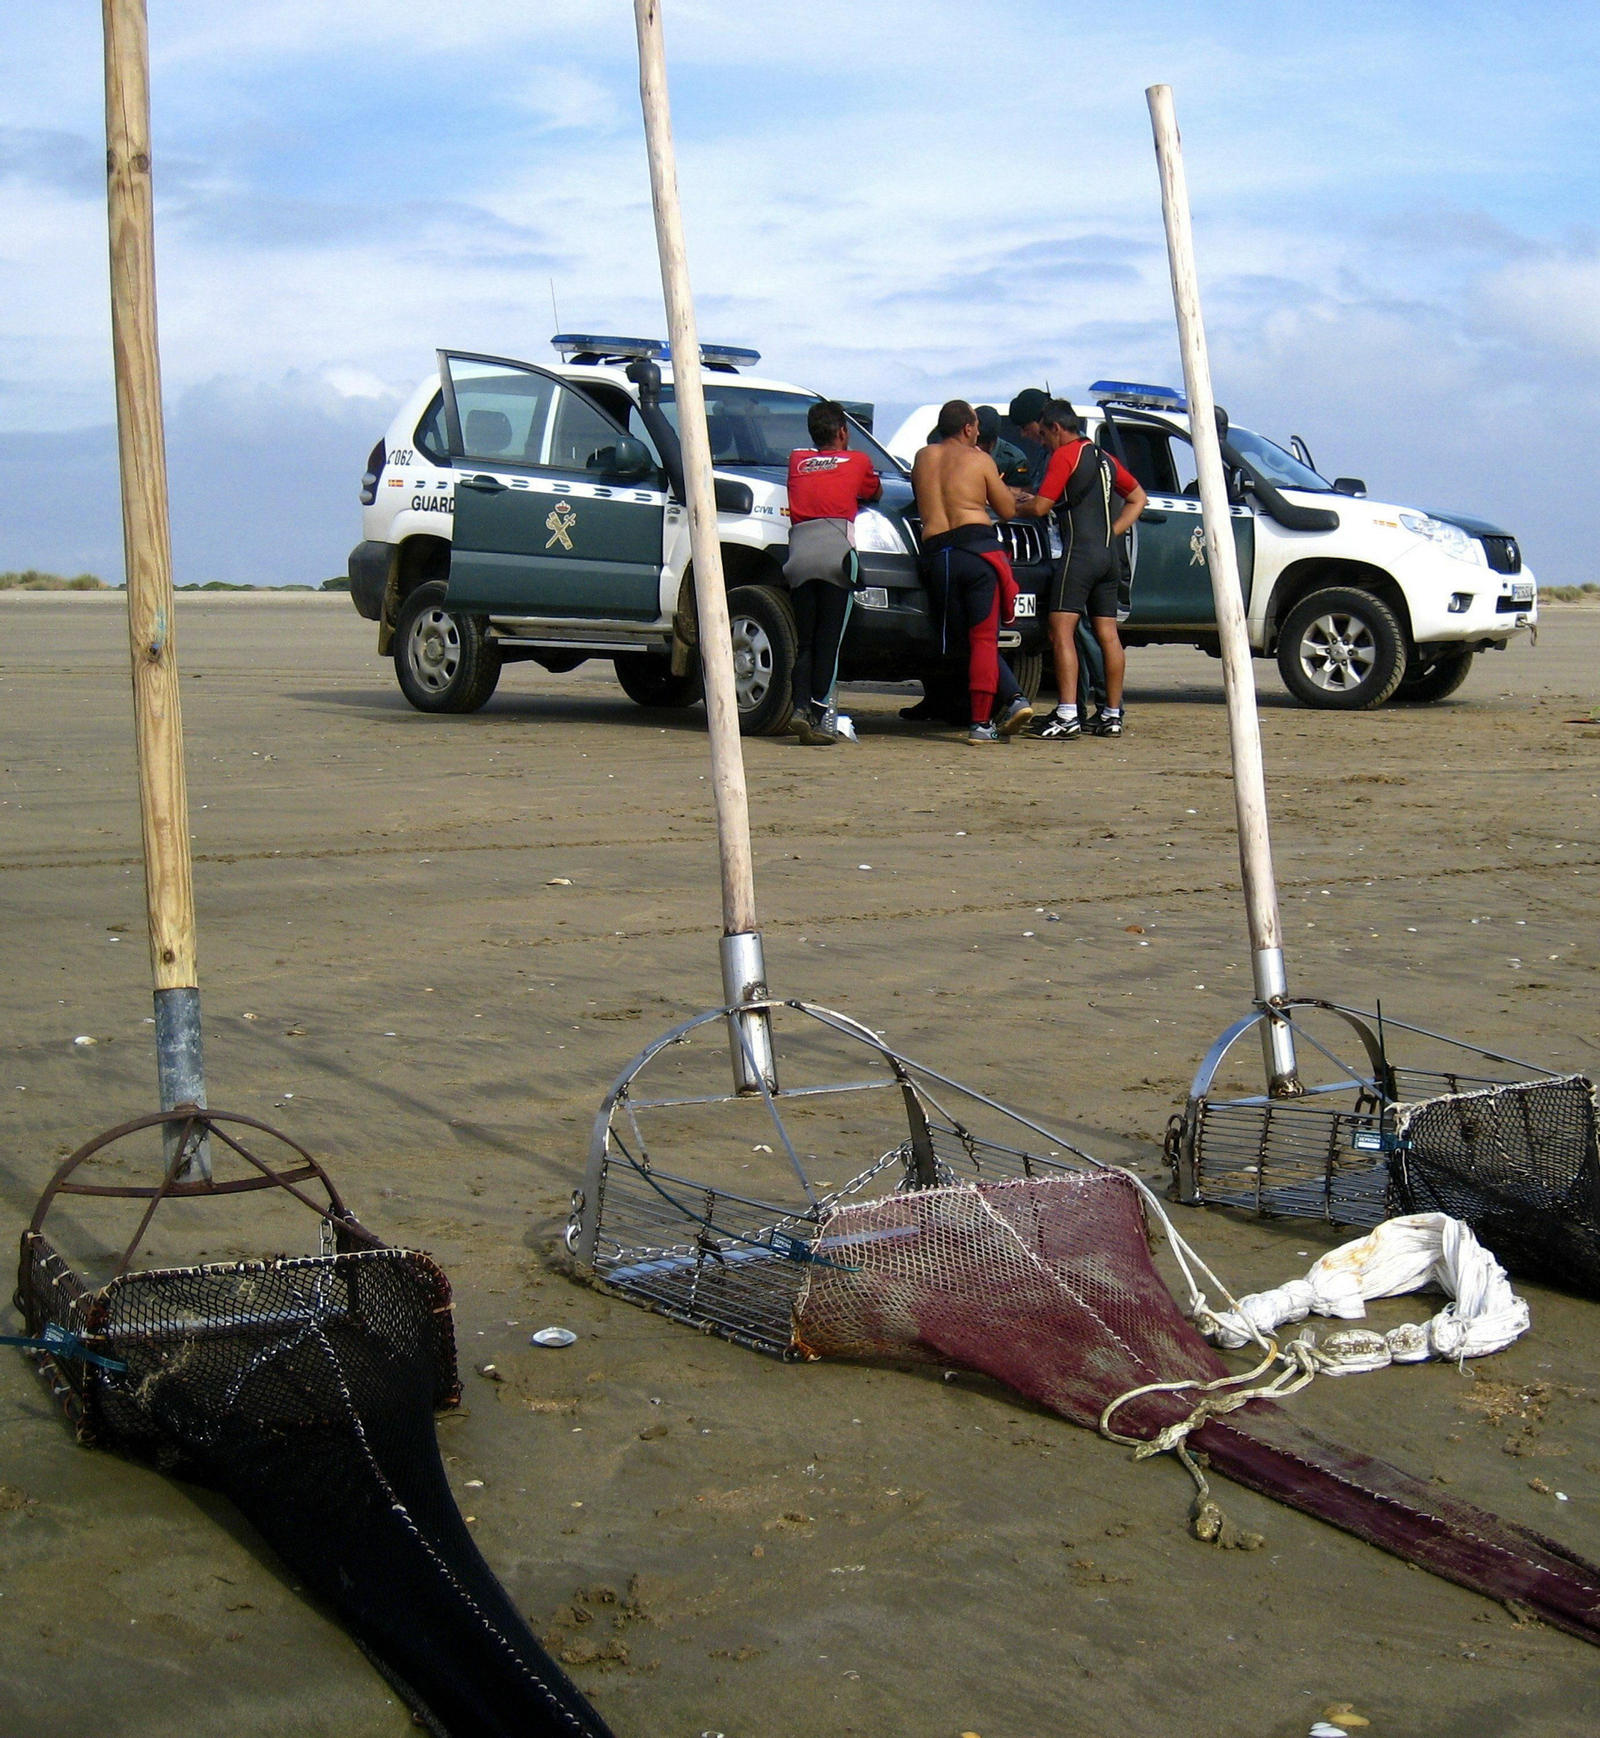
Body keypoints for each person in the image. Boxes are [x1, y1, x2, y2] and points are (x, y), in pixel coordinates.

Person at [1014, 399, 1145, 739]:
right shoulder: (1103, 457)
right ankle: (1112, 714)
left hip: (1080, 555)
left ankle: (1068, 713)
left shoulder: (1065, 455)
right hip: (1107, 555)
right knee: (1108, 635)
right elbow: (1138, 498)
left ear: (1058, 429)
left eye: (1044, 435)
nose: (1042, 442)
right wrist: (1112, 532)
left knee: (1060, 630)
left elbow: (1042, 507)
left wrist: (1012, 506)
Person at [909, 400, 1034, 745]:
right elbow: (1006, 510)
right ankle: (981, 723)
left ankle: (1013, 699)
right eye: (976, 426)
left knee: (962, 639)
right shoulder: (980, 459)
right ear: (967, 428)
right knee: (982, 639)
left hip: (937, 556)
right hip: (977, 553)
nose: (979, 432)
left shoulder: (923, 457)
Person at [782, 400, 881, 744]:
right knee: (830, 644)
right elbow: (873, 491)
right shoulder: (858, 461)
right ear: (843, 432)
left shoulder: (796, 460)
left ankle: (798, 709)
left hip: (799, 554)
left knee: (806, 644)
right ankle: (818, 714)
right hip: (836, 555)